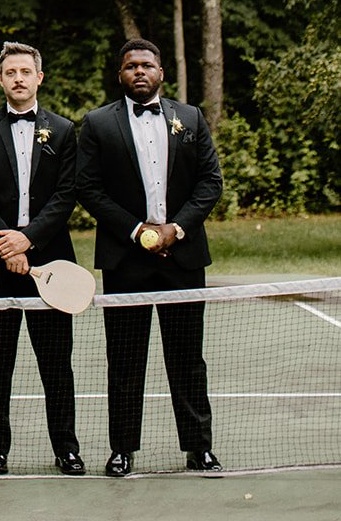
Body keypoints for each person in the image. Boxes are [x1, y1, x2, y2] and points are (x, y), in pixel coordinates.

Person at [76, 38, 223, 477]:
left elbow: (210, 182)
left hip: (183, 257)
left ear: (161, 72)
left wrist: (176, 228)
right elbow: (88, 188)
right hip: (126, 260)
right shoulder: (98, 123)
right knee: (124, 359)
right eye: (130, 66)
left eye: (146, 65)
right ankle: (122, 449)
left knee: (188, 358)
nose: (139, 71)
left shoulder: (190, 118)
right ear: (120, 75)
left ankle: (199, 447)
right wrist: (136, 231)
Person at [0, 41, 84, 475]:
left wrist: (28, 241)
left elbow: (66, 194)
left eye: (25, 72)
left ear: (39, 78)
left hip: (50, 264)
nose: (18, 79)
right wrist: (7, 244)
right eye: (11, 72)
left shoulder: (64, 131)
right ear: (0, 79)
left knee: (57, 364)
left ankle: (66, 449)